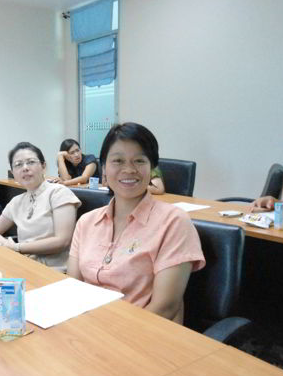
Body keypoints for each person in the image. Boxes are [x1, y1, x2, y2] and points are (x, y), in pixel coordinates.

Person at [67, 123, 205, 324]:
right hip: (87, 327)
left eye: (139, 160)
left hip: (142, 333)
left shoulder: (174, 222)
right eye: (118, 161)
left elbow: (165, 307)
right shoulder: (86, 222)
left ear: (152, 168)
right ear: (104, 168)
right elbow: (73, 288)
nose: (129, 169)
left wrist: (105, 333)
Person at [0, 142, 81, 271]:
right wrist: (7, 245)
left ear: (43, 166)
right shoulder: (17, 201)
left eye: (31, 162)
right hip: (24, 265)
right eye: (18, 165)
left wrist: (17, 248)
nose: (25, 168)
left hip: (54, 270)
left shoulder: (58, 193)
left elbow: (62, 241)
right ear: (13, 173)